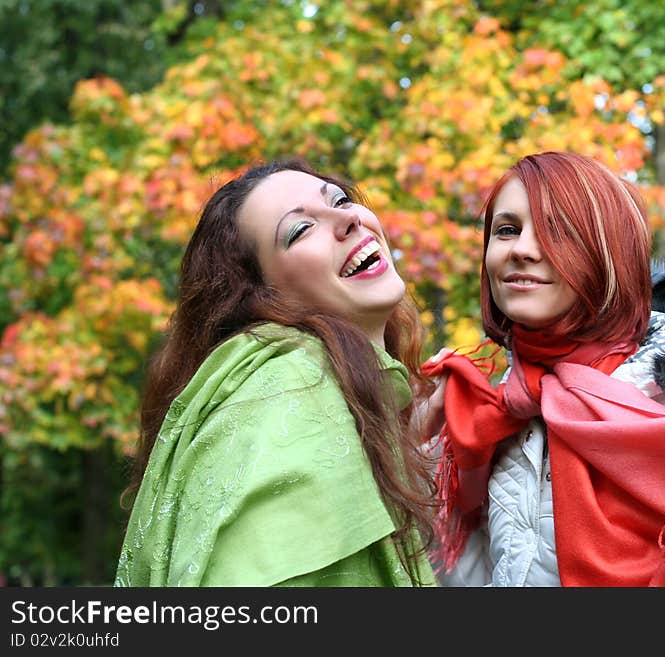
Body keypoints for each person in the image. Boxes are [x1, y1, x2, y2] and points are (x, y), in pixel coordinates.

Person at [421, 151, 665, 587]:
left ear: (608, 253)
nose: (521, 249)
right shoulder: (500, 411)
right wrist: (421, 455)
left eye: (558, 231)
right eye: (507, 230)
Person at [114, 158, 438, 587]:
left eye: (339, 200)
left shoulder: (333, 391)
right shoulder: (291, 388)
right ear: (258, 297)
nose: (346, 219)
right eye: (300, 230)